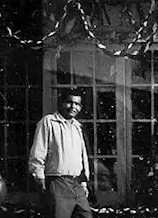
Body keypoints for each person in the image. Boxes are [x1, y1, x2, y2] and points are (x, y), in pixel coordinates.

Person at [29, 89, 94, 218]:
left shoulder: (77, 127)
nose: (73, 107)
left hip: (77, 184)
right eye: (69, 102)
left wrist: (83, 183)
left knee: (85, 215)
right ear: (61, 103)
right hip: (57, 182)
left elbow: (82, 156)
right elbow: (38, 151)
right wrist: (39, 177)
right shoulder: (49, 122)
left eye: (77, 104)